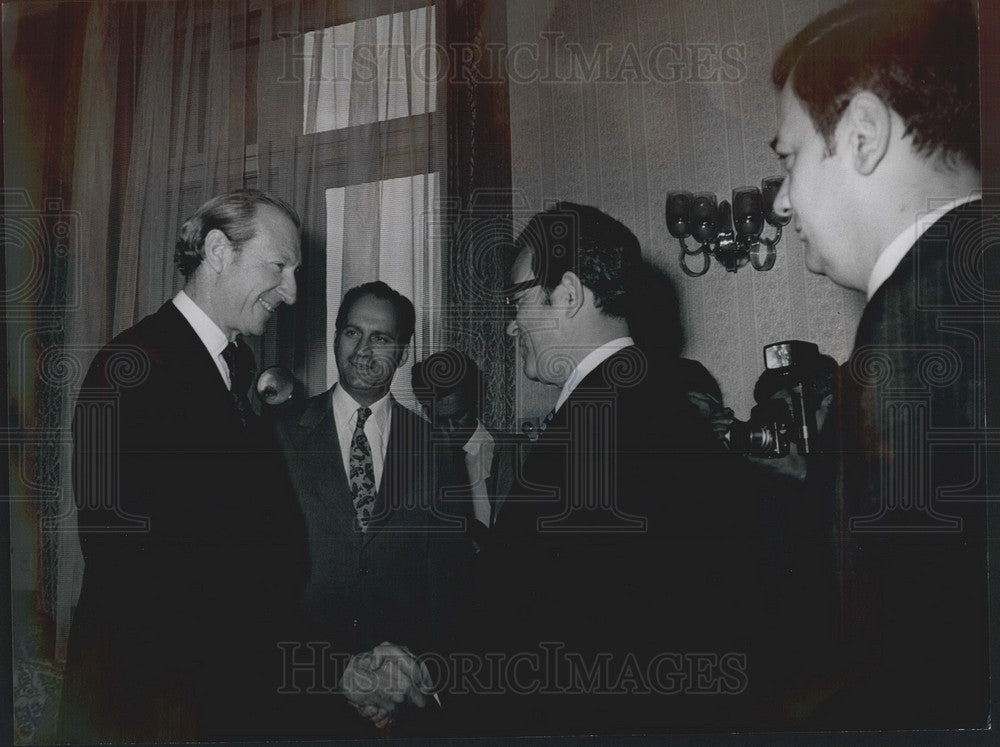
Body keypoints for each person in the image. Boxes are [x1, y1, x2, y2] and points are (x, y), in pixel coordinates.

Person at [769, 0, 989, 727]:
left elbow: (908, 662)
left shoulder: (911, 326)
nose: (781, 201)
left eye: (789, 158)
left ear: (861, 135)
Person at [468, 202, 761, 734]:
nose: (512, 327)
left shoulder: (598, 426)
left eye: (520, 300)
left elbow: (543, 629)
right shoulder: (656, 404)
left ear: (571, 294)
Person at [59, 189, 309, 741]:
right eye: (279, 266)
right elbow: (122, 557)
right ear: (219, 251)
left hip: (217, 690)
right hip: (150, 699)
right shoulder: (128, 366)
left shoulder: (236, 367)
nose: (291, 292)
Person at [272, 281, 473, 736]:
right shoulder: (278, 437)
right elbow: (258, 582)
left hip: (400, 707)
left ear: (403, 351)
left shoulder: (438, 453)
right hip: (296, 696)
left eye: (381, 338)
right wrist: (330, 672)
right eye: (352, 333)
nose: (363, 350)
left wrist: (421, 683)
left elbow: (452, 592)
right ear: (336, 336)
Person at [411, 347, 521, 549]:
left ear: (476, 401)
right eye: (440, 420)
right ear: (426, 411)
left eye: (460, 415)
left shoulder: (518, 455)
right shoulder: (414, 462)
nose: (452, 430)